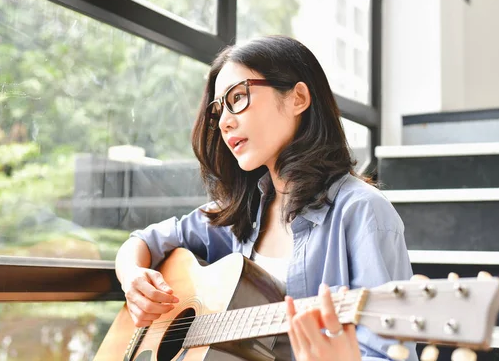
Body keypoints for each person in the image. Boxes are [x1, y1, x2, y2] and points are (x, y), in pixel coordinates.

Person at [115, 35, 418, 360]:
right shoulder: (238, 213)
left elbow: (392, 354)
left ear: (298, 98)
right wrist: (132, 277)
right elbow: (143, 240)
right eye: (218, 111)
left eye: (239, 97)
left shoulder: (362, 212)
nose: (225, 122)